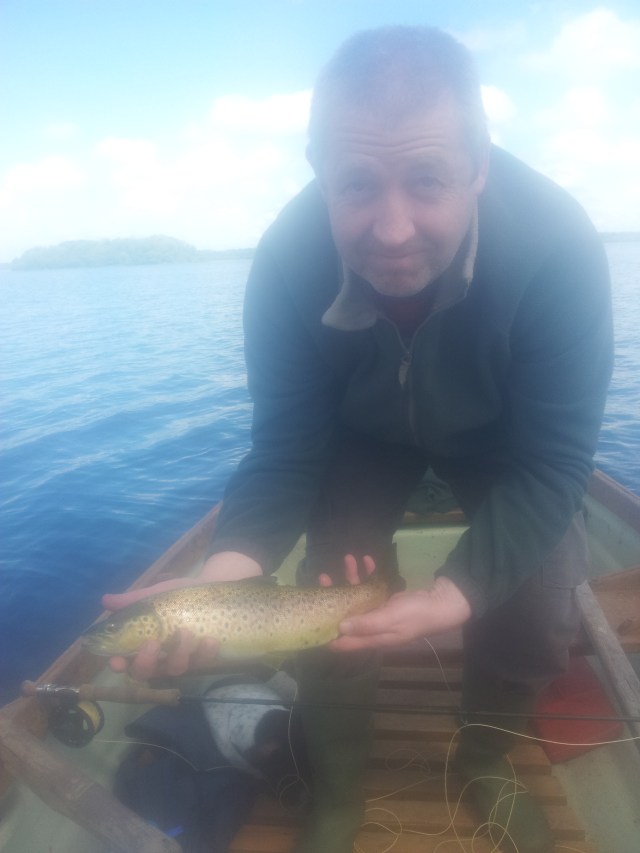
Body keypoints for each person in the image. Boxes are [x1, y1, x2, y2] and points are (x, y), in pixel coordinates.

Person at [105, 26, 613, 853]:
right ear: (318, 169)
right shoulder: (283, 263)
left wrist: (455, 592)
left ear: (479, 164)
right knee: (330, 583)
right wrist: (219, 581)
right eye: (357, 186)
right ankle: (337, 787)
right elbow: (284, 452)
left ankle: (484, 761)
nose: (393, 229)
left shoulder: (560, 249)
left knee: (537, 591)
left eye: (428, 180)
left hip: (503, 444)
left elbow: (556, 462)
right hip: (360, 437)